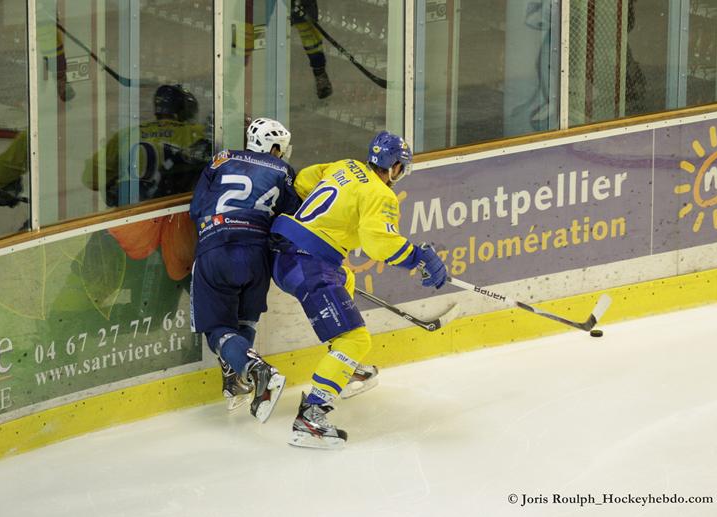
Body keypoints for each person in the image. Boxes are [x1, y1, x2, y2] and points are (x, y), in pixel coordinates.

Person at [270, 130, 448, 448]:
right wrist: (418, 258)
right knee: (355, 338)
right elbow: (378, 243)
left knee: (346, 280)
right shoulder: (382, 195)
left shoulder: (345, 165)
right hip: (309, 264)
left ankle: (344, 368)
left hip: (286, 253)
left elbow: (304, 182)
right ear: (394, 167)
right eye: (401, 167)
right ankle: (310, 417)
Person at [189, 117, 300, 422]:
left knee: (217, 329)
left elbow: (196, 209)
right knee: (245, 321)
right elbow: (292, 218)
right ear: (274, 147)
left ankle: (255, 369)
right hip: (256, 254)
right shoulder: (285, 172)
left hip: (217, 245)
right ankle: (236, 379)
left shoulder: (221, 159)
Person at [82, 84, 210, 207]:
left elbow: (89, 177)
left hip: (126, 217)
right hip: (171, 212)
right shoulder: (194, 132)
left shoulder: (127, 134)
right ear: (183, 111)